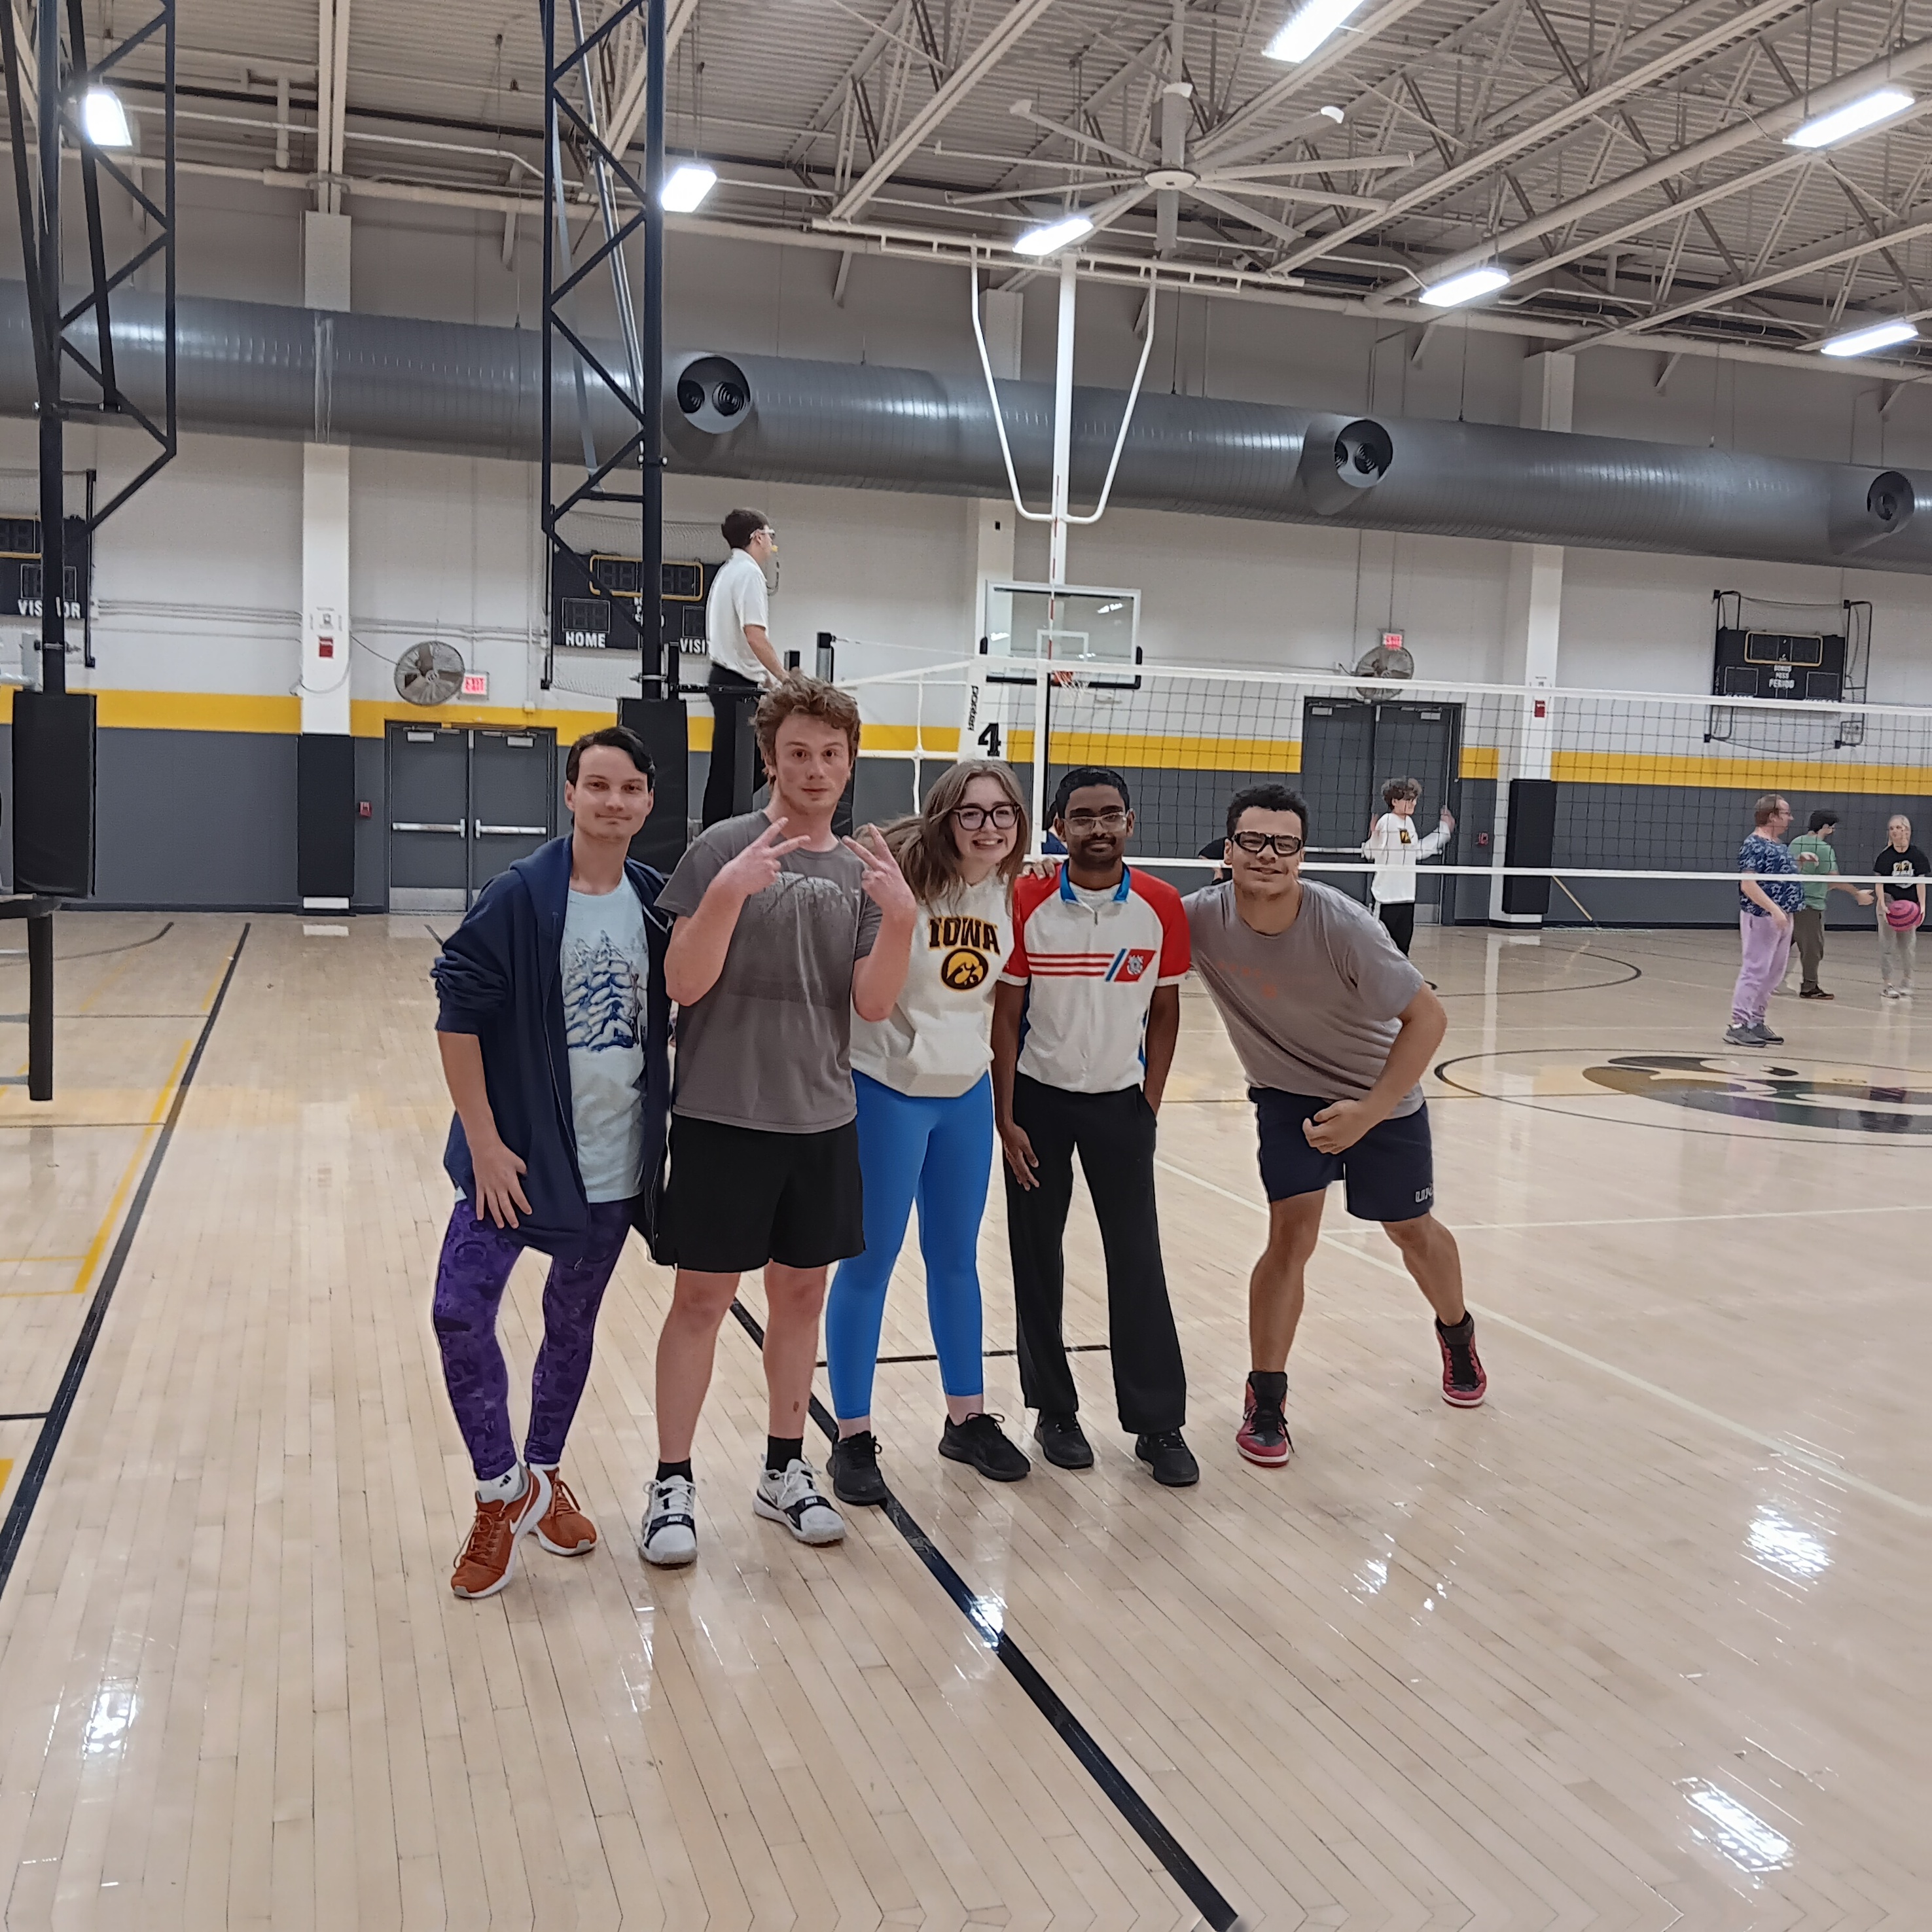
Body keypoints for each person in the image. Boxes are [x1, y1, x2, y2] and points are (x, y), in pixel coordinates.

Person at [641, 677, 918, 1565]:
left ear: (850, 764)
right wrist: (727, 893)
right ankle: (673, 1483)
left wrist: (905, 919)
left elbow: (873, 1006)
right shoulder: (721, 849)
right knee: (701, 1300)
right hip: (724, 1115)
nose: (814, 769)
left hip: (821, 1119)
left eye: (831, 755)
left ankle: (784, 1469)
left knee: (802, 1297)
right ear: (770, 759)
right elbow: (682, 983)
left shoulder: (864, 873)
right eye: (797, 753)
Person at [428, 726, 671, 1599]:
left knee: (571, 1325)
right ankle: (500, 1495)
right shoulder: (520, 895)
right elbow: (457, 1018)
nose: (613, 802)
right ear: (569, 794)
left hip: (613, 1165)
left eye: (629, 788)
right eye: (596, 785)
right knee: (459, 1313)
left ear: (647, 801)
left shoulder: (653, 898)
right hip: (518, 1161)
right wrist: (487, 1144)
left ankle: (544, 1473)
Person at [1185, 784, 1484, 1469]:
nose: (1268, 855)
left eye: (1284, 844)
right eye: (1253, 841)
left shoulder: (1343, 925)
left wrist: (1372, 1111)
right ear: (1228, 850)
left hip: (1381, 1095)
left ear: (1302, 855)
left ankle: (1457, 1332)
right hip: (1287, 1096)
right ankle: (1266, 1399)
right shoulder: (1199, 918)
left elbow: (1428, 1020)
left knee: (1411, 1231)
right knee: (1290, 1235)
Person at [823, 760, 1033, 1506]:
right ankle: (850, 1436)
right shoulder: (894, 880)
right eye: (972, 814)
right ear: (945, 818)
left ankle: (966, 1420)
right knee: (869, 1265)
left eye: (1002, 813)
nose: (988, 827)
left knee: (955, 1261)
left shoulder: (1011, 889)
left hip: (964, 1096)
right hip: (887, 1092)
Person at [991, 767, 1198, 1487]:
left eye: (1111, 815)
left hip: (1121, 1107)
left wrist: (1153, 1094)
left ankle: (1157, 1422)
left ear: (1131, 824)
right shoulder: (1027, 899)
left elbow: (1167, 1009)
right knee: (1036, 1258)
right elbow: (1006, 1015)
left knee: (1138, 1259)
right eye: (1082, 817)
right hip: (1038, 1106)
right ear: (1057, 827)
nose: (1099, 828)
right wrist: (1006, 1115)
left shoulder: (1163, 906)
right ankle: (1053, 1410)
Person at [701, 508, 785, 829]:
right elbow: (755, 635)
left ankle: (715, 835)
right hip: (737, 689)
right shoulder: (749, 574)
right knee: (746, 768)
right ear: (758, 537)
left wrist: (762, 675)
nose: (771, 545)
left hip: (728, 681)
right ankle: (723, 838)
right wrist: (784, 678)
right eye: (770, 537)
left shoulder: (728, 571)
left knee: (727, 771)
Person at [1725, 795, 1801, 1048]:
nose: (1790, 818)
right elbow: (1748, 885)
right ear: (1772, 816)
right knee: (1755, 970)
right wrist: (1774, 910)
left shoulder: (1778, 845)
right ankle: (1738, 1024)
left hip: (1783, 916)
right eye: (1786, 813)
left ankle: (1756, 1021)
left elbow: (1775, 874)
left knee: (1774, 973)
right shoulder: (1754, 844)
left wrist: (1800, 861)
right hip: (1763, 917)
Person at [1362, 777, 1454, 957]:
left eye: (1414, 799)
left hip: (1406, 897)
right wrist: (1373, 838)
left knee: (1402, 951)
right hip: (1387, 897)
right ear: (1395, 801)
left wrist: (1444, 831)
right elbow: (1371, 853)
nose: (1413, 803)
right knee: (1382, 949)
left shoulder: (1407, 823)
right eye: (1408, 799)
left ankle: (1398, 983)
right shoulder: (1388, 821)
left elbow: (1415, 851)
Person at [1787, 810, 1872, 1000]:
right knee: (1813, 950)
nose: (1833, 831)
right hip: (1810, 905)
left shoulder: (1795, 842)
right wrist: (1857, 894)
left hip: (1790, 903)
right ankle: (1810, 987)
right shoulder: (1824, 849)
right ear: (1825, 827)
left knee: (1783, 946)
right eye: (1832, 827)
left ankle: (1770, 981)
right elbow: (1834, 880)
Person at [1872, 814, 1930, 1000]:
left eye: (1898, 827)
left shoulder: (1917, 855)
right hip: (1890, 902)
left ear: (1907, 830)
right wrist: (1882, 903)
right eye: (1891, 828)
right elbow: (1879, 883)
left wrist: (1922, 906)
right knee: (1887, 946)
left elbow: (1921, 883)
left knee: (1908, 947)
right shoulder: (1885, 856)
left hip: (1909, 906)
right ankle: (1887, 984)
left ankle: (1907, 980)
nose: (1895, 831)